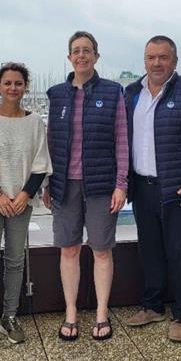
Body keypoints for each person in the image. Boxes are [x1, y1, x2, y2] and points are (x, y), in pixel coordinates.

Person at [123, 35, 181, 342]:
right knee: (150, 251)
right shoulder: (132, 92)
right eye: (151, 57)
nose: (157, 63)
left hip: (180, 188)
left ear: (174, 61)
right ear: (144, 60)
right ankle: (152, 306)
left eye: (163, 57)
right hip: (142, 186)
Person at [43, 31, 128, 342]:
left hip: (102, 184)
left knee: (102, 250)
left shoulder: (113, 91)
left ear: (96, 56)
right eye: (76, 51)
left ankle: (102, 314)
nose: (82, 55)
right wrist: (49, 182)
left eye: (87, 50)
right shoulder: (56, 94)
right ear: (69, 57)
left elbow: (122, 140)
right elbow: (51, 142)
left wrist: (121, 184)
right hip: (64, 184)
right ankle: (71, 313)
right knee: (69, 249)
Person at [0, 63, 52, 354]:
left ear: (26, 86)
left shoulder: (35, 121)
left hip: (21, 201)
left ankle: (10, 316)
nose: (13, 88)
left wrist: (25, 194)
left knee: (15, 260)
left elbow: (41, 163)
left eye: (18, 83)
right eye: (7, 83)